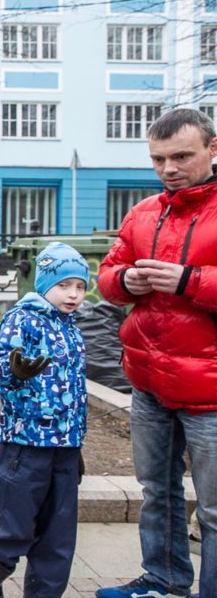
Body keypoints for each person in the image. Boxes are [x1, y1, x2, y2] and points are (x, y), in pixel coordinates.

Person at [96, 107, 217, 598]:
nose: (170, 168)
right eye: (159, 159)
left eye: (182, 156)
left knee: (212, 508)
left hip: (210, 391)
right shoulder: (144, 212)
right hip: (149, 385)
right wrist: (125, 280)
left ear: (213, 149)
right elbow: (107, 275)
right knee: (157, 493)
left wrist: (190, 281)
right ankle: (163, 580)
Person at [0, 242, 90, 598]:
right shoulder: (24, 318)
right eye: (64, 285)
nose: (73, 294)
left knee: (58, 533)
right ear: (44, 284)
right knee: (18, 521)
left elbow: (76, 389)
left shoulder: (71, 327)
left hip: (66, 446)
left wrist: (76, 440)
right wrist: (14, 371)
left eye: (80, 286)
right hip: (27, 442)